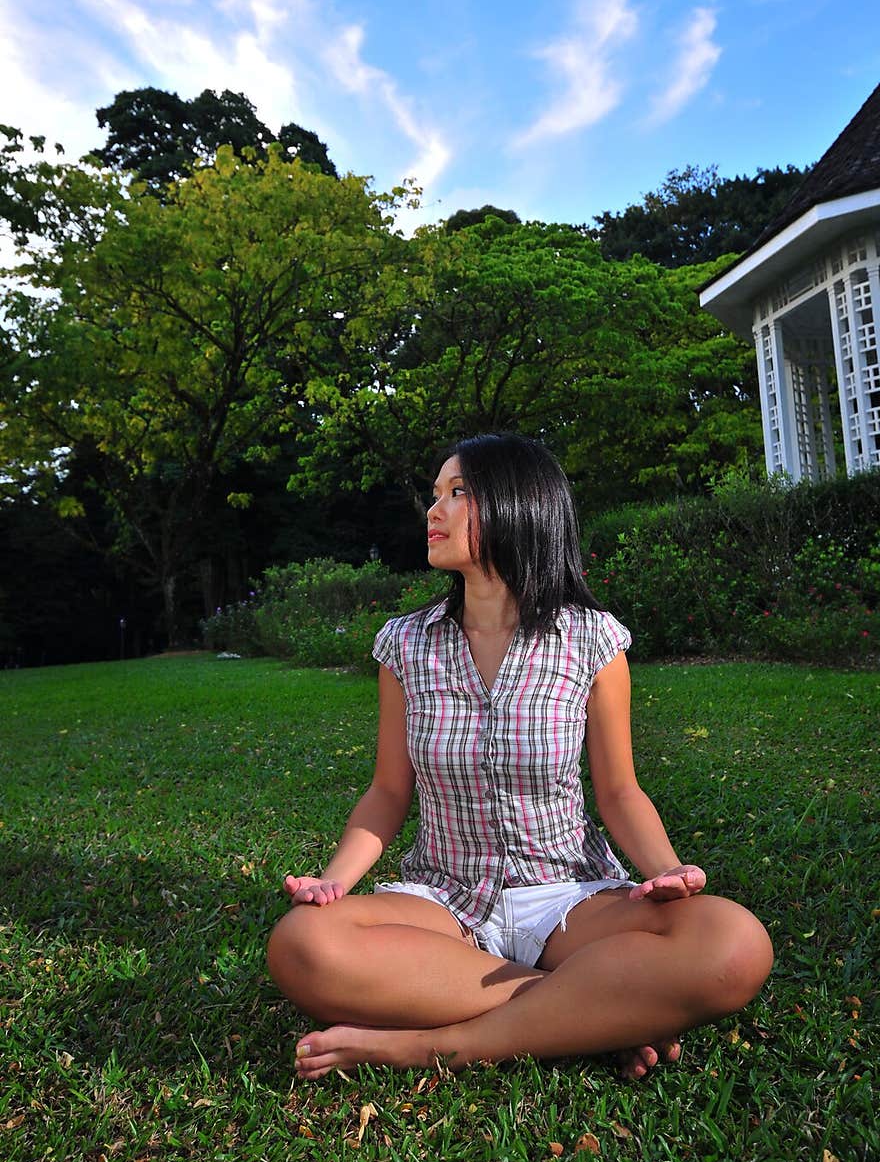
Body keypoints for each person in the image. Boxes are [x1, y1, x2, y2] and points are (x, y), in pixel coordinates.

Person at [267, 432, 773, 1082]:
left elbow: (620, 792)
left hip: (569, 893)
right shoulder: (403, 645)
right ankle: (591, 1009)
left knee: (732, 943)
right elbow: (388, 791)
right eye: (434, 494)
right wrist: (334, 879)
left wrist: (668, 869)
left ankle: (429, 1045)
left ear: (518, 505)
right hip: (442, 896)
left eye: (457, 493)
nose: (433, 509)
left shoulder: (592, 640)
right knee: (304, 943)